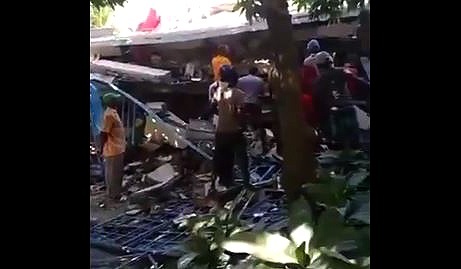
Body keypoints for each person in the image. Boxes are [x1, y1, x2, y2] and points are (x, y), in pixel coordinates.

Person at [213, 65, 250, 191]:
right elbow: (239, 113)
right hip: (234, 131)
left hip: (220, 132)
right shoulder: (239, 94)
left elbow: (213, 107)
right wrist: (243, 126)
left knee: (224, 159)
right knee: (242, 158)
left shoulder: (219, 92)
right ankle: (246, 183)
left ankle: (225, 184)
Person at [100, 93, 126, 202]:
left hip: (118, 148)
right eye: (115, 100)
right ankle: (113, 196)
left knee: (116, 173)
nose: (118, 102)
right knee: (112, 174)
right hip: (112, 149)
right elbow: (104, 133)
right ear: (111, 102)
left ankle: (115, 194)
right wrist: (101, 148)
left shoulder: (113, 113)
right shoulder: (109, 115)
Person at [237, 66, 267, 152]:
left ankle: (241, 144)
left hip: (244, 104)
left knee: (241, 124)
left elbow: (238, 90)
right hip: (255, 103)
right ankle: (263, 144)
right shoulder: (260, 81)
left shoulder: (241, 80)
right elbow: (262, 93)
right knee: (259, 124)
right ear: (256, 72)